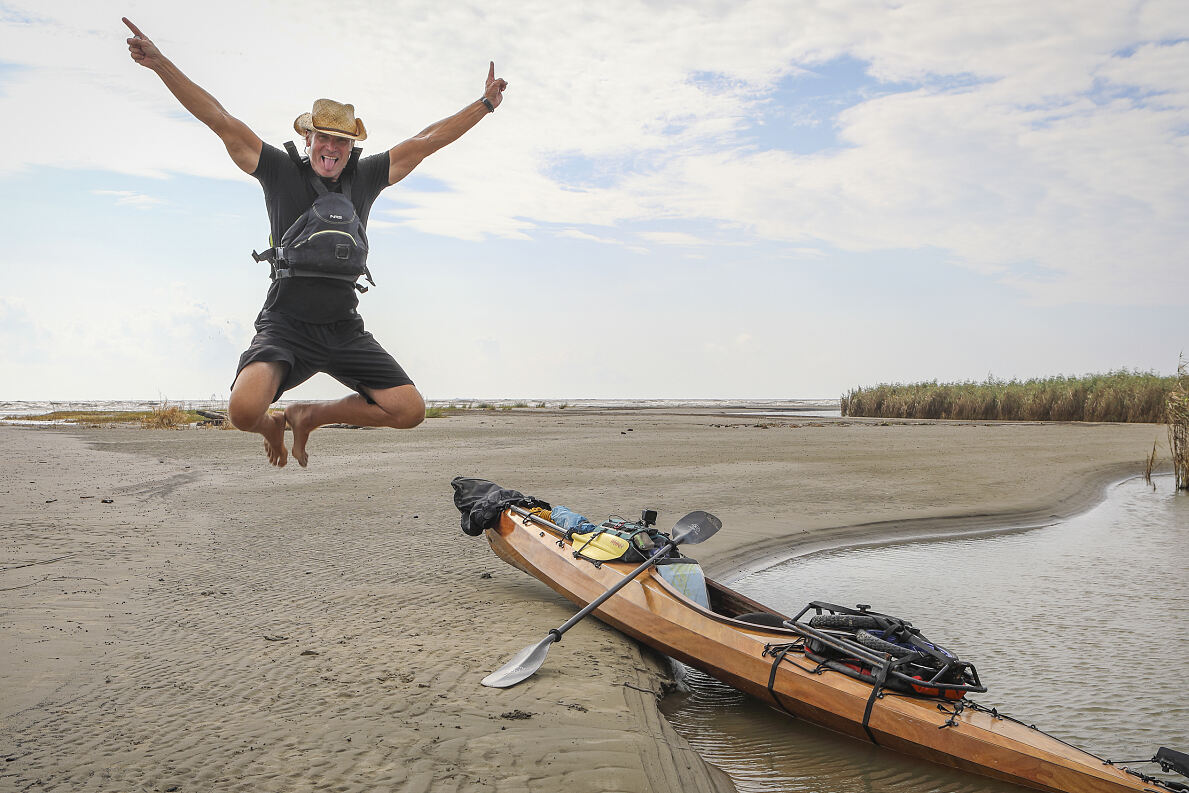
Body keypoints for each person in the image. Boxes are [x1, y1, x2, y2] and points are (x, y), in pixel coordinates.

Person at [123, 17, 507, 467]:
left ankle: (309, 415)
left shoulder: (366, 176)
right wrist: (160, 64)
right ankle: (273, 425)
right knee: (243, 411)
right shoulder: (278, 169)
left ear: (350, 145)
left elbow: (425, 142)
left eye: (341, 140)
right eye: (323, 136)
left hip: (343, 327)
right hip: (285, 323)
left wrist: (484, 104)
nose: (331, 147)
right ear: (308, 138)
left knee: (409, 410)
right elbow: (220, 119)